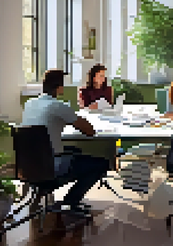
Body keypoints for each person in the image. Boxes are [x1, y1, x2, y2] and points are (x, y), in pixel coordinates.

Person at [21, 70, 109, 211]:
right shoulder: (58, 106)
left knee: (76, 152)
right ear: (59, 87)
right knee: (101, 164)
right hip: (51, 166)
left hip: (28, 165)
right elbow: (89, 131)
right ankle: (70, 202)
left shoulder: (29, 104)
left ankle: (40, 193)